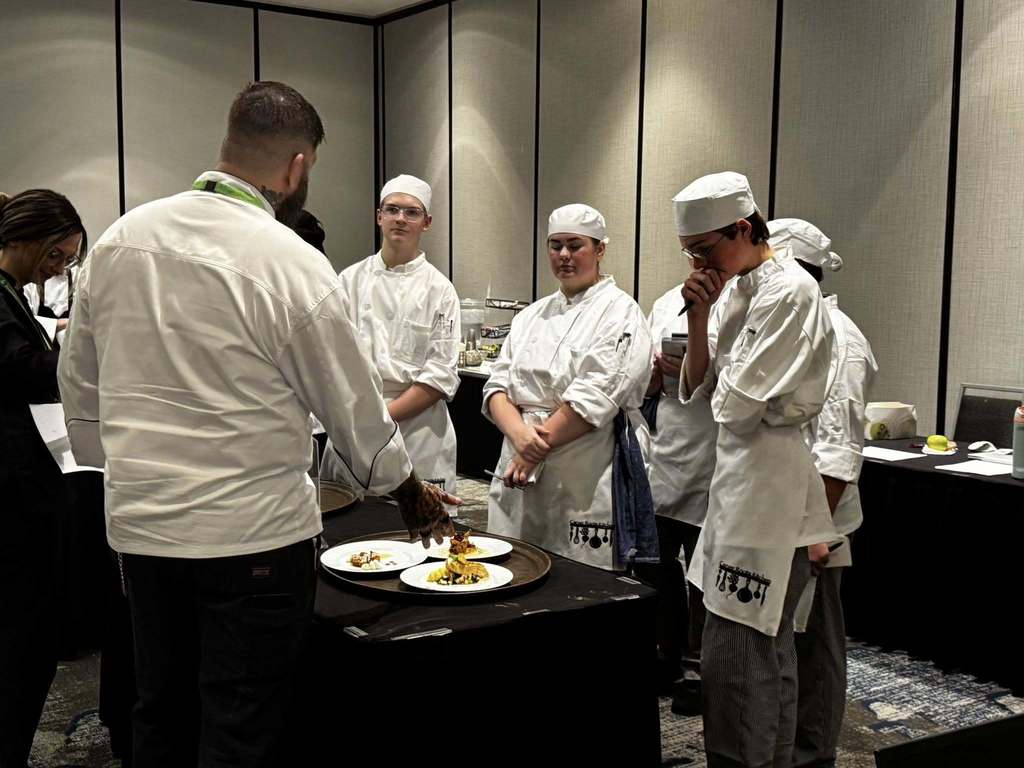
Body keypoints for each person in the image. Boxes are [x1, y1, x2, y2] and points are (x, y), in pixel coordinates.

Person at [58, 81, 455, 768]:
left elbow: (79, 380)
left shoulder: (122, 239)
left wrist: (112, 458)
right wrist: (402, 484)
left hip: (143, 529)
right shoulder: (290, 261)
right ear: (298, 167)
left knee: (160, 707)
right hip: (253, 542)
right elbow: (352, 410)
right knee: (240, 723)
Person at [674, 172, 837, 767]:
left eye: (704, 250)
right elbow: (697, 382)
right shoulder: (737, 289)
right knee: (755, 644)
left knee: (744, 648)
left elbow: (734, 406)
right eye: (689, 254)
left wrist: (724, 388)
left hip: (768, 483)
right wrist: (699, 314)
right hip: (736, 480)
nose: (699, 263)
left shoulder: (790, 291)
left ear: (743, 228)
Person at [483, 203, 655, 570]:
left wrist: (533, 449)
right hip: (517, 454)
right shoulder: (531, 315)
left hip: (584, 462)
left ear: (600, 249)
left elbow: (596, 394)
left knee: (577, 575)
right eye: (555, 245)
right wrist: (519, 436)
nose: (564, 255)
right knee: (513, 564)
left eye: (575, 245)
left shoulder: (621, 312)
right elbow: (497, 385)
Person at [766, 218, 877, 768]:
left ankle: (814, 752)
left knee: (816, 640)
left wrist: (818, 532)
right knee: (782, 637)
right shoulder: (789, 323)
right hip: (777, 513)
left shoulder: (842, 339)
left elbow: (838, 449)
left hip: (818, 521)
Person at [0, 188, 86, 768]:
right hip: (13, 495)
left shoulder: (10, 293)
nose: (55, 271)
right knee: (20, 644)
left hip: (23, 483)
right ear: (29, 237)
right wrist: (86, 345)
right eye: (55, 257)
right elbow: (23, 373)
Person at [334, 174, 460, 503]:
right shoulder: (348, 280)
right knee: (353, 536)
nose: (400, 219)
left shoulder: (440, 290)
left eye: (412, 212)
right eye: (392, 210)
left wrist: (381, 417)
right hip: (356, 428)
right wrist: (360, 419)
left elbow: (440, 375)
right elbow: (331, 356)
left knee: (420, 538)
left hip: (418, 433)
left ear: (427, 222)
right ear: (379, 216)